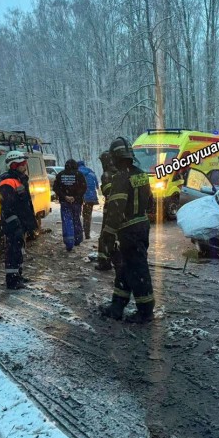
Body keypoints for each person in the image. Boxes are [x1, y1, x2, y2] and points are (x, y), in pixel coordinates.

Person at [100, 137, 155, 323]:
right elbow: (151, 202)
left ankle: (145, 311)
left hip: (128, 230)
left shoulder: (121, 178)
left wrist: (108, 233)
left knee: (137, 270)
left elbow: (116, 208)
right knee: (124, 269)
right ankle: (117, 306)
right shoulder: (141, 174)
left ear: (115, 157)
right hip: (141, 226)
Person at [0, 150, 38, 289]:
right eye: (22, 163)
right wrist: (14, 221)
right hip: (13, 222)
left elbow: (25, 203)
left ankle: (18, 275)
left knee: (20, 249)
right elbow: (8, 205)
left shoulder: (20, 179)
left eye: (25, 163)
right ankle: (12, 280)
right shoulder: (8, 181)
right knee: (13, 250)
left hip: (20, 221)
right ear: (13, 165)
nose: (25, 166)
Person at [55, 159, 87, 251]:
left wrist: (65, 196)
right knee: (76, 219)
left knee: (67, 221)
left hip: (65, 202)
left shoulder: (60, 175)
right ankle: (78, 239)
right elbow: (84, 187)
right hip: (76, 202)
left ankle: (69, 243)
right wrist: (75, 197)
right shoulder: (79, 175)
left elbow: (56, 188)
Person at [95, 151, 118, 271]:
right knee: (117, 236)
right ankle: (118, 259)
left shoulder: (107, 175)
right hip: (121, 211)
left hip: (109, 210)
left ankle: (104, 262)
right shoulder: (121, 172)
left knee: (105, 236)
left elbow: (107, 191)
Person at [77, 160, 100, 239]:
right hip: (91, 197)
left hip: (80, 197)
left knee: (77, 214)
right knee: (88, 216)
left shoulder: (77, 173)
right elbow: (97, 186)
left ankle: (78, 233)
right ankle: (87, 234)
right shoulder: (91, 172)